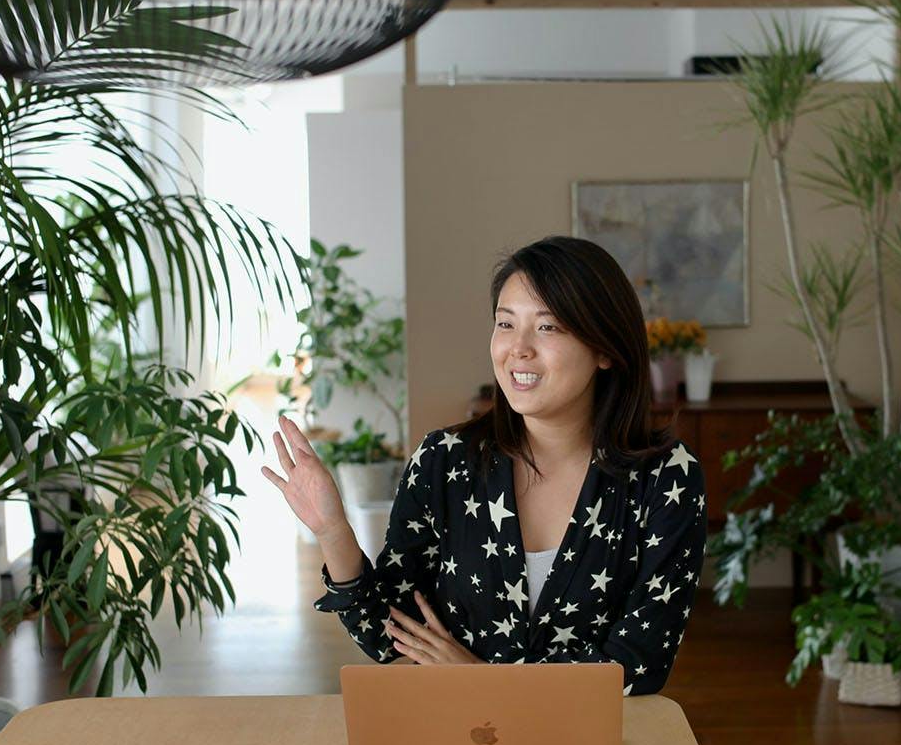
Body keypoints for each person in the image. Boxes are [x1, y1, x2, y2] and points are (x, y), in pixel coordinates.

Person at [262, 236, 707, 696]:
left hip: (589, 739)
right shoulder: (442, 460)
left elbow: (639, 668)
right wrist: (333, 532)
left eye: (548, 327)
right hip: (454, 733)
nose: (519, 348)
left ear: (605, 349)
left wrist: (479, 678)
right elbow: (387, 637)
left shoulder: (667, 478)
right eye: (505, 323)